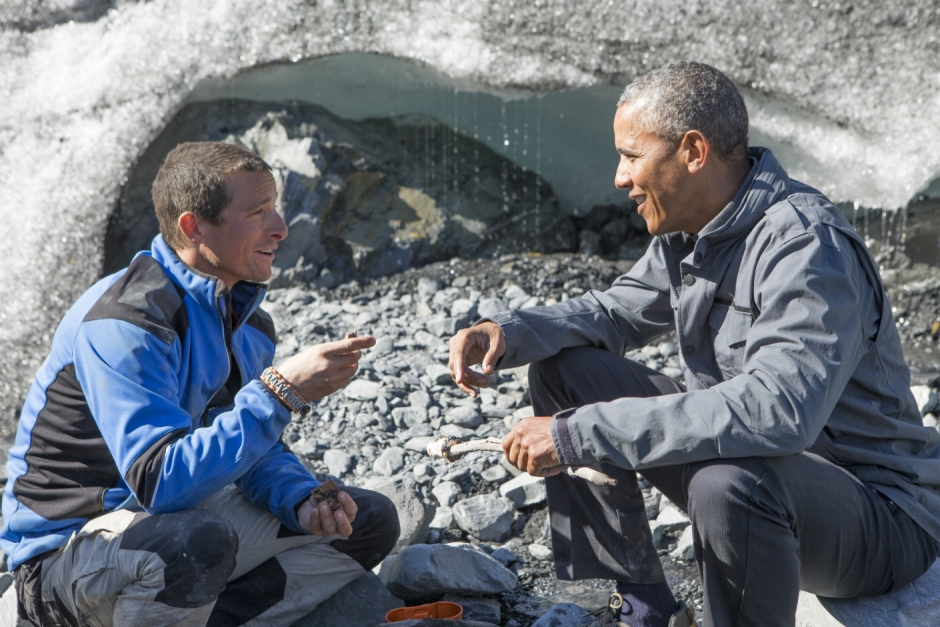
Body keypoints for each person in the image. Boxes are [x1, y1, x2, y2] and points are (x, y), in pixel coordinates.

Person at [448, 61, 940, 627]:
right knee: (566, 373)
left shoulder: (807, 248)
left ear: (694, 151)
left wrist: (577, 435)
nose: (618, 177)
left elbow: (779, 413)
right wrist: (509, 333)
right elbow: (616, 311)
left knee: (724, 482)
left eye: (632, 156)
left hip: (879, 519)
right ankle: (644, 607)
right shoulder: (693, 227)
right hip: (760, 478)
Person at [1, 142, 400, 627]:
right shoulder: (125, 323)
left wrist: (299, 498)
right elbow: (158, 482)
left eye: (274, 207)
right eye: (257, 212)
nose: (280, 227)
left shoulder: (246, 322)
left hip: (162, 525)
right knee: (196, 543)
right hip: (64, 556)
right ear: (193, 227)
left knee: (366, 521)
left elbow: (242, 448)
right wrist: (279, 392)